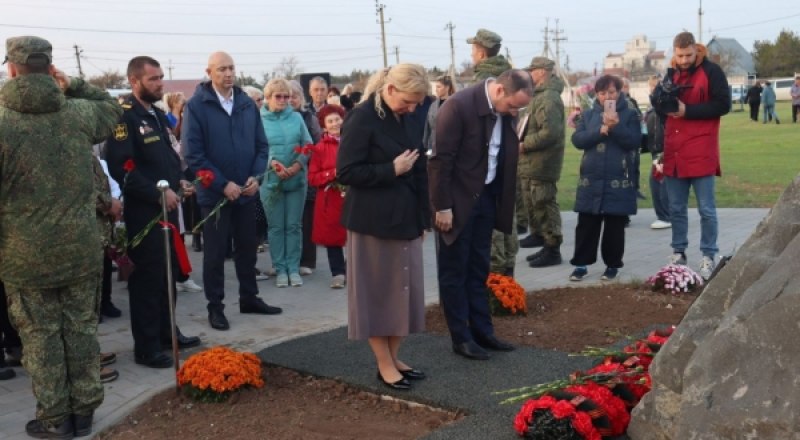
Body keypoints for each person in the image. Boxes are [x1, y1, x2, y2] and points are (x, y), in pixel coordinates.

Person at [0, 35, 121, 437]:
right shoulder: (77, 113)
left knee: (40, 336)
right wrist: (75, 85)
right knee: (82, 329)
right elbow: (111, 108)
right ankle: (84, 411)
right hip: (81, 248)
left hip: (24, 254)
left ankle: (55, 418)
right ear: (50, 68)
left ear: (12, 68)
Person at [337, 64, 431, 390]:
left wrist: (424, 216)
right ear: (390, 90)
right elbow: (346, 171)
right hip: (372, 222)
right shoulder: (361, 117)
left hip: (406, 219)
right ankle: (384, 364)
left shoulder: (407, 116)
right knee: (378, 296)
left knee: (403, 293)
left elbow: (419, 169)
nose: (414, 107)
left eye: (418, 102)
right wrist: (391, 169)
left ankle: (394, 358)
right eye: (409, 100)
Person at [428, 69, 533, 360]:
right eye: (513, 105)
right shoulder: (458, 107)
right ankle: (460, 337)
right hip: (456, 204)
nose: (515, 112)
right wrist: (443, 207)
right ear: (499, 91)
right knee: (454, 271)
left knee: (478, 269)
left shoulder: (503, 112)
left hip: (485, 198)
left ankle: (483, 331)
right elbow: (440, 161)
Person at [106, 56, 202, 368]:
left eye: (161, 77)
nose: (160, 83)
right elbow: (124, 169)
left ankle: (166, 333)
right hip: (145, 212)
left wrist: (180, 182)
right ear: (135, 81)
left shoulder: (157, 115)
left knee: (168, 275)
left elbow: (166, 158)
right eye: (153, 79)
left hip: (168, 209)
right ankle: (146, 346)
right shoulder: (125, 118)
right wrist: (159, 191)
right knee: (148, 280)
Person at [183, 51, 281, 331]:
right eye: (222, 69)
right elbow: (193, 154)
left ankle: (249, 297)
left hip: (247, 191)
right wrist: (222, 184)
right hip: (215, 195)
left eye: (232, 68)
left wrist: (256, 177)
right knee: (214, 254)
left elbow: (261, 146)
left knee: (248, 248)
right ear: (209, 71)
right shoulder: (196, 106)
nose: (228, 73)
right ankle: (216, 307)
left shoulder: (246, 104)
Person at [659, 31, 730, 280]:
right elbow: (660, 111)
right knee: (676, 208)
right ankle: (679, 252)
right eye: (679, 55)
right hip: (674, 150)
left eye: (688, 55)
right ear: (674, 52)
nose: (684, 60)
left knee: (706, 209)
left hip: (701, 149)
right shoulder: (670, 73)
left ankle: (708, 255)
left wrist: (688, 110)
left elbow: (724, 105)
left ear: (695, 50)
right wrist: (660, 99)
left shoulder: (712, 71)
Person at [568, 75, 641, 281]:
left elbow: (635, 141)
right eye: (602, 93)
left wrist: (616, 126)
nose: (607, 96)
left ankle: (612, 265)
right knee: (586, 224)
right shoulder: (589, 114)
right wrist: (601, 130)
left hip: (618, 177)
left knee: (614, 226)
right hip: (591, 179)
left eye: (611, 92)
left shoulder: (630, 114)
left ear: (619, 92)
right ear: (596, 94)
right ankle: (580, 265)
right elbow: (578, 140)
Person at [260, 78, 313, 288]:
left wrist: (299, 164)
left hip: (296, 180)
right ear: (268, 98)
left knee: (293, 226)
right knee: (275, 227)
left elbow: (308, 144)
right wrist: (271, 162)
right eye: (278, 96)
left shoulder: (297, 118)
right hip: (271, 181)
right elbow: (256, 148)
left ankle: (293, 268)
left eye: (286, 96)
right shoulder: (259, 119)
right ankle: (280, 268)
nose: (283, 100)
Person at [518, 57, 566, 269]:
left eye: (534, 70)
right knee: (533, 202)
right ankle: (541, 238)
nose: (530, 73)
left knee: (544, 204)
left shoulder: (548, 98)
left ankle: (553, 248)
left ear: (543, 72)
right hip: (532, 162)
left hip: (543, 162)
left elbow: (550, 133)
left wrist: (524, 144)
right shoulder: (539, 96)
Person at [308, 104, 347, 289]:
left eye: (337, 119)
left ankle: (354, 270)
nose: (334, 124)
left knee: (355, 235)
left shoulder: (353, 142)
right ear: (323, 126)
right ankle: (338, 272)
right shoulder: (320, 148)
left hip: (352, 197)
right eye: (330, 121)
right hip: (330, 199)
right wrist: (332, 174)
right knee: (333, 237)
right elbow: (312, 177)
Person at [644, 75, 671, 230]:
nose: (653, 89)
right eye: (651, 86)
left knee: (660, 182)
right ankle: (664, 215)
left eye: (656, 86)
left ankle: (665, 216)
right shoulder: (651, 110)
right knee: (657, 182)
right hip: (655, 150)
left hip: (664, 150)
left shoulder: (664, 107)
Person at [422, 75, 455, 153]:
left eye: (439, 87)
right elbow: (427, 126)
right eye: (435, 87)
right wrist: (425, 144)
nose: (436, 90)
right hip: (432, 145)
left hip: (450, 146)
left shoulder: (455, 104)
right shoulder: (433, 105)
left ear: (447, 88)